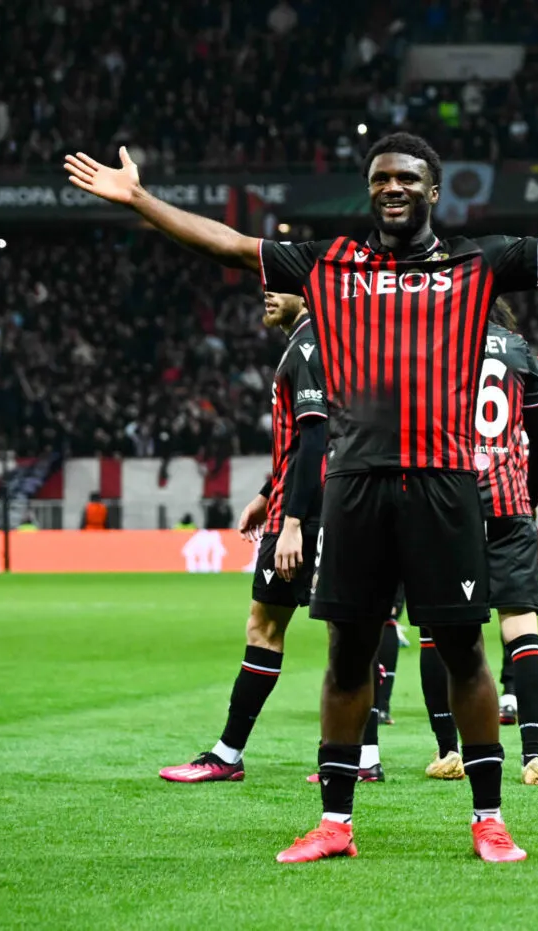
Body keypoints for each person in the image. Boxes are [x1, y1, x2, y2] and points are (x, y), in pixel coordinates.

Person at [65, 130, 538, 864]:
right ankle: (334, 823)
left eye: (404, 177)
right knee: (347, 654)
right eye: (379, 178)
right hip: (355, 486)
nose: (390, 187)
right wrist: (139, 199)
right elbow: (232, 246)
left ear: (433, 190)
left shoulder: (476, 263)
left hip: (444, 487)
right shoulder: (329, 264)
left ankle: (489, 818)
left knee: (464, 651)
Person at [158, 292, 341, 782]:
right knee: (346, 630)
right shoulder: (326, 342)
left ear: (307, 290)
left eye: (279, 283)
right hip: (327, 504)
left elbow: (316, 439)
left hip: (304, 513)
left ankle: (227, 754)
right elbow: (308, 442)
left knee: (267, 628)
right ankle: (359, 758)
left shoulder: (307, 348)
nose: (267, 292)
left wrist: (293, 521)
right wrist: (265, 492)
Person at [418, 297, 538, 786]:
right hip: (508, 506)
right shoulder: (522, 353)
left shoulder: (435, 346)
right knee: (522, 632)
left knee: (435, 632)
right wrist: (527, 499)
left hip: (448, 506)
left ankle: (447, 751)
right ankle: (534, 756)